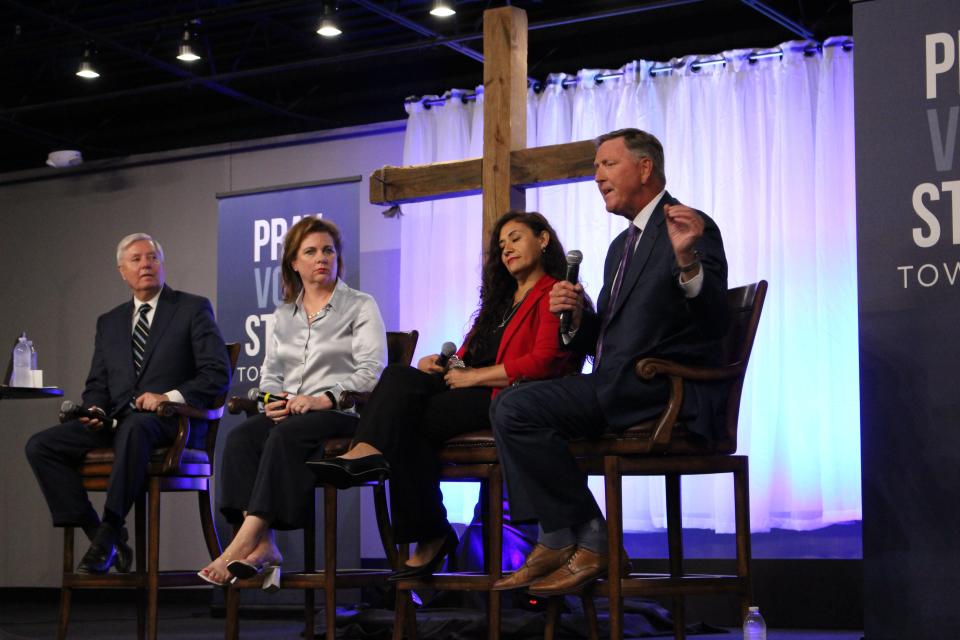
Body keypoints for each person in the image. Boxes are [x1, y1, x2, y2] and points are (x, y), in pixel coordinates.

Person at [489, 128, 729, 595]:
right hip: (615, 381)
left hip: (657, 389)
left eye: (607, 165)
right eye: (596, 167)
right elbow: (608, 337)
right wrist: (578, 316)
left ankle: (585, 536)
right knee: (508, 402)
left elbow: (715, 320)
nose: (597, 176)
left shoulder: (688, 225)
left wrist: (688, 265)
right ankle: (561, 535)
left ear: (644, 168)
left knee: (517, 407)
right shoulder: (622, 246)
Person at [309, 211, 584, 580]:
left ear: (544, 239)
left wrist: (473, 377)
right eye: (501, 245)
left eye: (516, 239)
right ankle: (376, 460)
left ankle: (425, 526)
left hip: (507, 397)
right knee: (401, 375)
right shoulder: (499, 304)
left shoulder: (554, 292)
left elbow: (545, 362)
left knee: (405, 422)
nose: (507, 250)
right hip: (468, 387)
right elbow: (467, 356)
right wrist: (445, 363)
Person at [25, 233, 231, 574]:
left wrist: (167, 397)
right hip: (116, 422)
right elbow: (97, 384)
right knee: (41, 446)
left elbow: (216, 374)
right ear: (123, 271)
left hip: (169, 423)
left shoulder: (191, 308)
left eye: (152, 257)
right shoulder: (109, 322)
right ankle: (101, 533)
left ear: (162, 265)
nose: (146, 264)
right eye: (136, 259)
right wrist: (95, 410)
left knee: (136, 427)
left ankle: (111, 523)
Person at [198, 216, 386, 587]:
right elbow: (269, 376)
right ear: (294, 263)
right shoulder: (283, 315)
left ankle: (241, 543)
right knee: (239, 439)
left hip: (343, 414)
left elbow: (372, 370)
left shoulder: (361, 306)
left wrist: (322, 399)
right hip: (294, 414)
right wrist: (271, 401)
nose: (322, 258)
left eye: (328, 250)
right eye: (311, 252)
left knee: (284, 437)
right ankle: (265, 543)